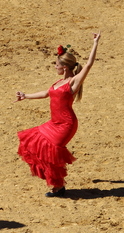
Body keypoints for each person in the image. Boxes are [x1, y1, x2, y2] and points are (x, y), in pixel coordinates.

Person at [14, 32, 101, 197]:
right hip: (54, 123)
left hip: (66, 124)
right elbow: (46, 93)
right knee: (35, 141)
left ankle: (58, 187)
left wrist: (95, 43)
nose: (55, 67)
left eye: (57, 65)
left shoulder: (73, 82)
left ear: (65, 67)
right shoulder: (58, 82)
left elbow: (89, 64)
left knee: (51, 151)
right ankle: (58, 186)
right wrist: (26, 96)